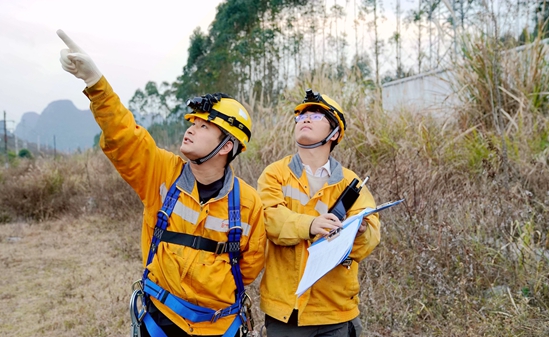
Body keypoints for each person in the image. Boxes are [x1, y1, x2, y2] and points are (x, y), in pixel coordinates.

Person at [57, 29, 266, 337]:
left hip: (219, 328)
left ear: (226, 146)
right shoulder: (161, 173)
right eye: (193, 122)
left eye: (205, 125)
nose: (192, 128)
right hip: (160, 322)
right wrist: (95, 83)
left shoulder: (248, 203)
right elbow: (125, 137)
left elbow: (249, 266)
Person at [257, 89, 381, 337]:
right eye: (301, 115)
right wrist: (310, 225)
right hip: (286, 313)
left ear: (334, 133)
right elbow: (269, 219)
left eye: (316, 116)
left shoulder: (351, 183)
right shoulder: (275, 174)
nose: (305, 119)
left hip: (336, 312)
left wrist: (359, 232)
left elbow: (370, 241)